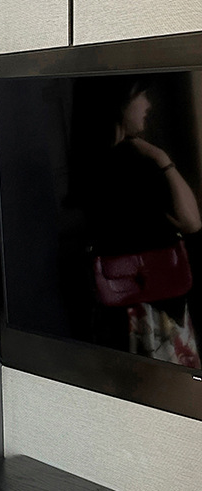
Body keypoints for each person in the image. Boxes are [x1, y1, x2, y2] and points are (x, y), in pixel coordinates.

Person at [70, 75, 202, 367]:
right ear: (119, 103)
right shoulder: (136, 163)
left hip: (116, 308)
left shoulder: (88, 167)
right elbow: (192, 222)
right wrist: (161, 158)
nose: (148, 105)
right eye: (140, 95)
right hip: (153, 312)